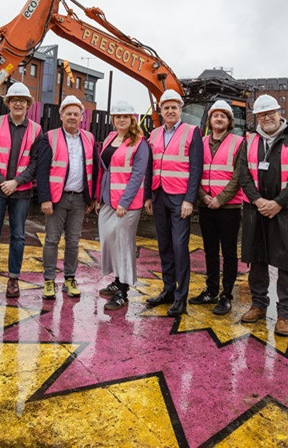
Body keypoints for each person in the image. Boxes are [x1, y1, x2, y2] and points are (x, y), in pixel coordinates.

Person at [237, 94, 288, 336]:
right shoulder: (249, 141)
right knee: (256, 259)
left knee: (286, 264)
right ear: (256, 117)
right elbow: (243, 175)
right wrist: (258, 201)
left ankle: (284, 316)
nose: (266, 118)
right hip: (256, 209)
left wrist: (278, 203)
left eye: (270, 113)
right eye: (261, 114)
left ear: (280, 113)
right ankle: (258, 305)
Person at [0, 82, 42, 299]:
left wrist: (16, 182)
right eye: (14, 100)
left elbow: (35, 162)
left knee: (18, 237)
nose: (18, 103)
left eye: (22, 100)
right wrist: (3, 181)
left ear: (28, 104)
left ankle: (13, 279)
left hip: (21, 192)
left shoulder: (36, 130)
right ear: (8, 103)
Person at [145, 89, 203, 316]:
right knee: (164, 246)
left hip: (180, 198)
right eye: (166, 107)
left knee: (180, 247)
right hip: (159, 195)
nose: (170, 111)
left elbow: (196, 168)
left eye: (174, 107)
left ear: (180, 110)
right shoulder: (155, 133)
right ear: (160, 110)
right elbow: (150, 166)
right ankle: (168, 290)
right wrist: (147, 196)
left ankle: (181, 297)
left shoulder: (192, 132)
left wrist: (190, 199)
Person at [36, 95, 97, 299]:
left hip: (79, 199)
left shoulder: (89, 138)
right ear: (61, 115)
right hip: (57, 199)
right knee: (52, 240)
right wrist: (45, 198)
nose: (72, 117)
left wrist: (93, 197)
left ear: (82, 116)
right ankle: (49, 280)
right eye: (68, 113)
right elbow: (42, 170)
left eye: (76, 114)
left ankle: (70, 278)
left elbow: (94, 169)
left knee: (73, 242)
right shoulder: (50, 137)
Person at [189, 100, 244, 315]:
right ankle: (211, 290)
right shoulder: (200, 142)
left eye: (223, 116)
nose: (218, 119)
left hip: (228, 207)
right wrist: (204, 196)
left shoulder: (238, 143)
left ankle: (226, 295)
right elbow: (195, 172)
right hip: (206, 206)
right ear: (210, 120)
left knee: (229, 252)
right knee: (210, 250)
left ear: (229, 121)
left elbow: (239, 175)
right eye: (215, 115)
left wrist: (219, 199)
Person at [97, 100, 150, 310]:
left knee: (124, 244)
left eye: (125, 117)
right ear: (113, 119)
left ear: (132, 119)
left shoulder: (140, 143)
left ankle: (123, 292)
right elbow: (105, 169)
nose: (121, 120)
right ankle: (117, 279)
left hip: (126, 204)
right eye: (117, 117)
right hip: (108, 200)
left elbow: (138, 175)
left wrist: (124, 202)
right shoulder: (111, 137)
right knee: (110, 240)